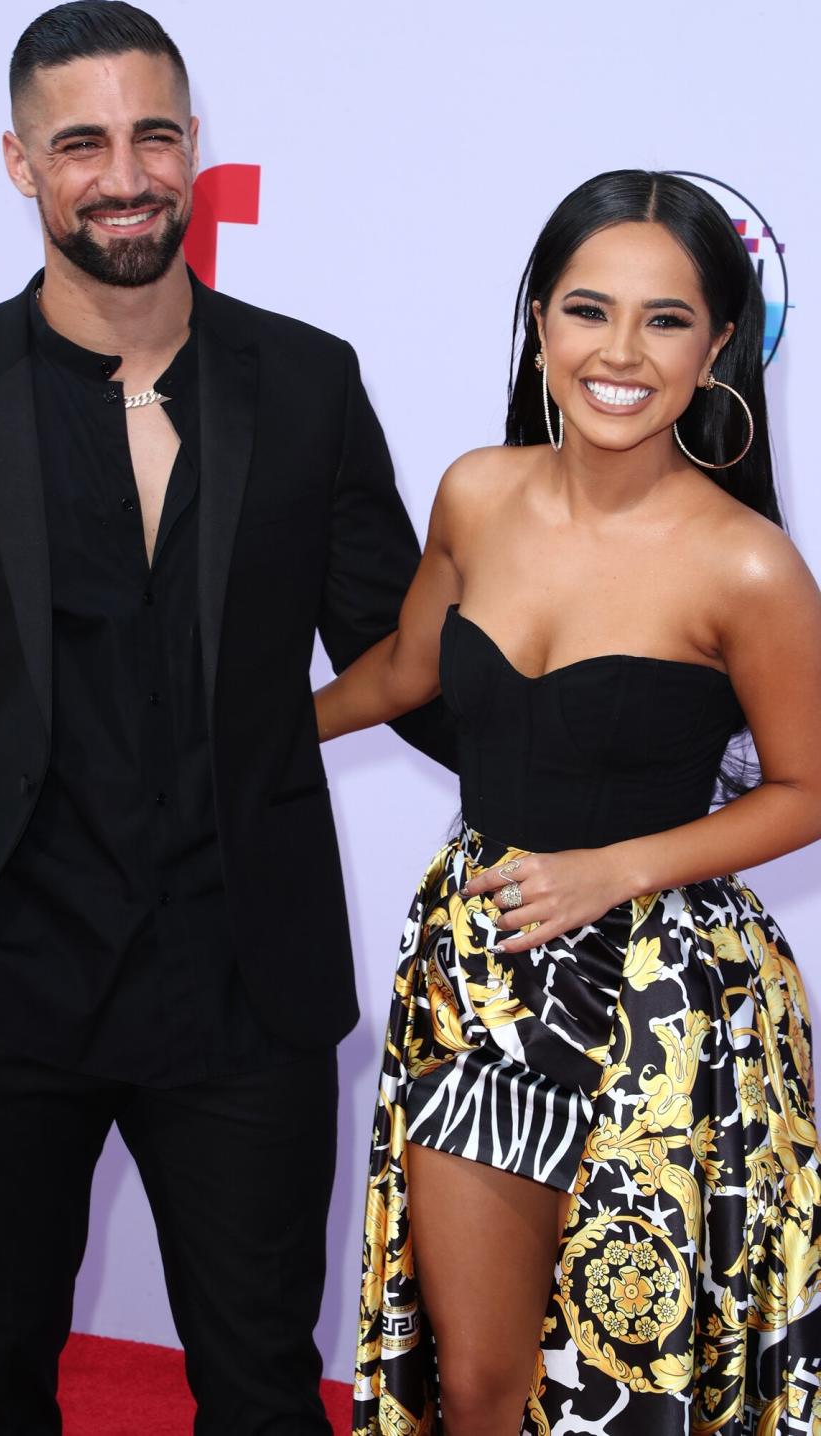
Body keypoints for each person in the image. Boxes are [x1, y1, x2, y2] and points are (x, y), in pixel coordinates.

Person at [0, 4, 455, 1433]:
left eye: (150, 135)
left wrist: (643, 757)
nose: (121, 174)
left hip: (242, 974)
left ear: (193, 148)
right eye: (81, 143)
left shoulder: (306, 381)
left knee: (260, 1380)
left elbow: (399, 646)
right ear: (20, 163)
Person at [315, 170, 821, 1436]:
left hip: (664, 1008)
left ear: (717, 349)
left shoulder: (748, 562)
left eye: (665, 319)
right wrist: (241, 738)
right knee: (479, 1377)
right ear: (540, 323)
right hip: (481, 972)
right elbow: (405, 668)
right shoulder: (477, 491)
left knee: (622, 1385)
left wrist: (618, 865)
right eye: (590, 309)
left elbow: (811, 788)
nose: (620, 351)